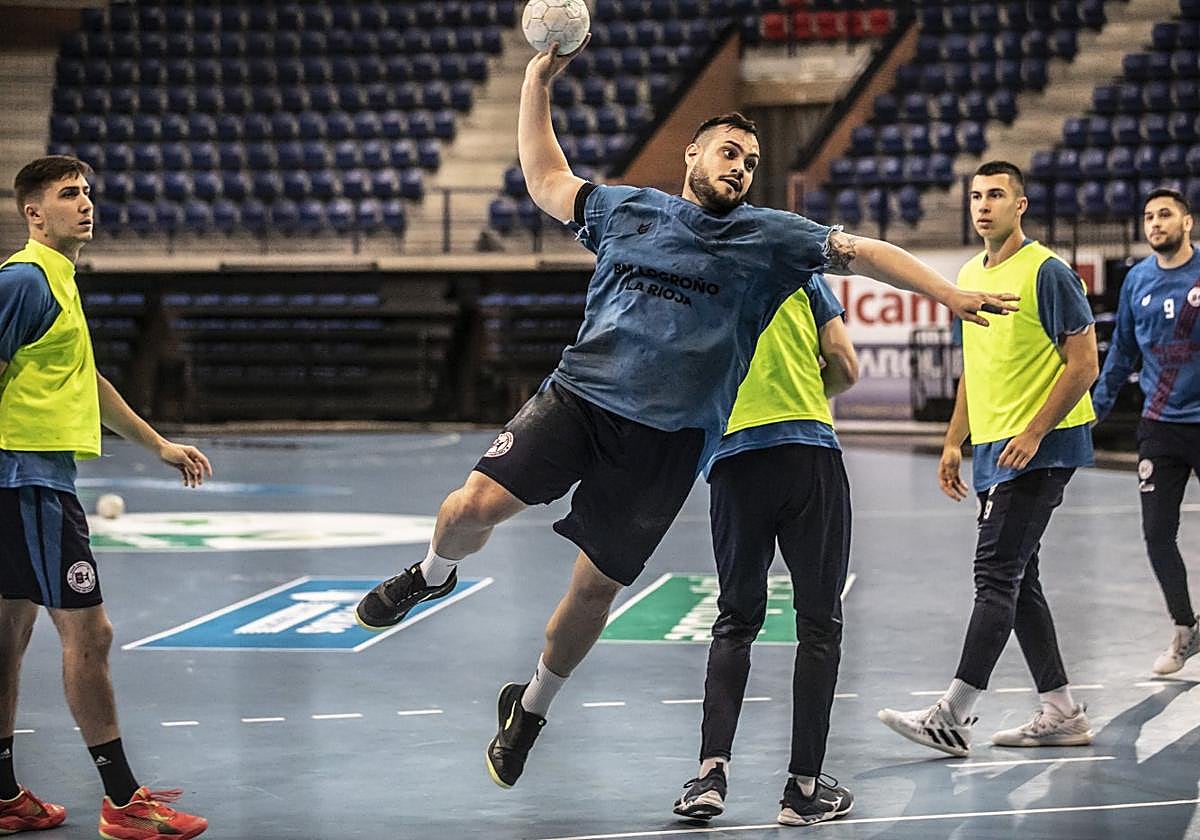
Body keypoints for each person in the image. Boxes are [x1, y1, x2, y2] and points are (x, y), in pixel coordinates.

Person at [355, 40, 1016, 790]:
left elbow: (863, 252)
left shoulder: (770, 238)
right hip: (578, 398)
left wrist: (949, 295)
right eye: (729, 153)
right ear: (692, 158)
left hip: (666, 446)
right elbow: (545, 177)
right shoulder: (629, 210)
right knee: (471, 507)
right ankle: (433, 575)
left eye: (751, 161)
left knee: (594, 591)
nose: (740, 167)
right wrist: (536, 78)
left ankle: (531, 710)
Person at [0, 156, 210, 838]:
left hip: (33, 481)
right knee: (89, 633)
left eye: (87, 192)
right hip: (26, 482)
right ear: (34, 212)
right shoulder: (26, 281)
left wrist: (158, 446)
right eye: (68, 194)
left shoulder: (57, 280)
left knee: (9, 635)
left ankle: (3, 795)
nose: (85, 203)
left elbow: (86, 383)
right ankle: (124, 802)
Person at [878, 160, 1099, 757]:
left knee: (995, 575)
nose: (983, 205)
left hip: (1039, 447)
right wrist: (954, 441)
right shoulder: (969, 274)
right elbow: (974, 371)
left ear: (1019, 205)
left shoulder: (1048, 272)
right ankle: (1061, 710)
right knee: (1020, 579)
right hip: (994, 451)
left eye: (996, 195)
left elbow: (1085, 366)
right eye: (976, 196)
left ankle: (954, 712)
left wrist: (1031, 432)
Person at [670, 274, 858, 827]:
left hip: (734, 460)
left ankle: (710, 777)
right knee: (819, 625)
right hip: (808, 454)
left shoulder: (696, 280)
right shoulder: (802, 274)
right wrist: (799, 392)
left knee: (736, 620)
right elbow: (844, 364)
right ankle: (803, 791)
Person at [1092, 187, 1200, 676]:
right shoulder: (1137, 281)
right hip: (1160, 425)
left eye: (1165, 215)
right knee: (1158, 533)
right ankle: (1185, 629)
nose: (1155, 223)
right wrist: (1095, 407)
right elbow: (1122, 354)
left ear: (1187, 222)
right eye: (1149, 216)